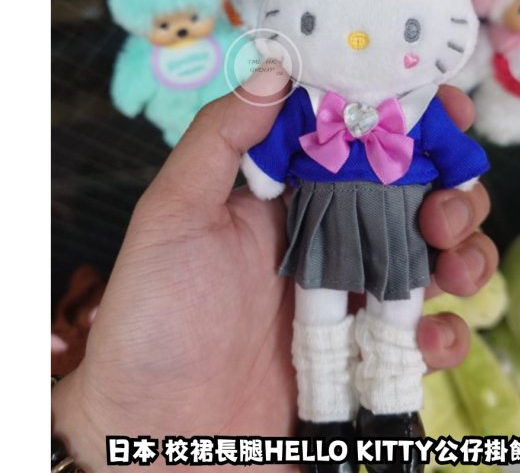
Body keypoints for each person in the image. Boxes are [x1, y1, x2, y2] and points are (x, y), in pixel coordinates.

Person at [52, 70, 497, 471]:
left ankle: (391, 411)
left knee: (396, 311)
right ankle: (324, 418)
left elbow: (457, 159)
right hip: (322, 214)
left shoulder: (420, 101)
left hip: (401, 217)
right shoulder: (307, 98)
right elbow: (275, 152)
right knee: (321, 310)